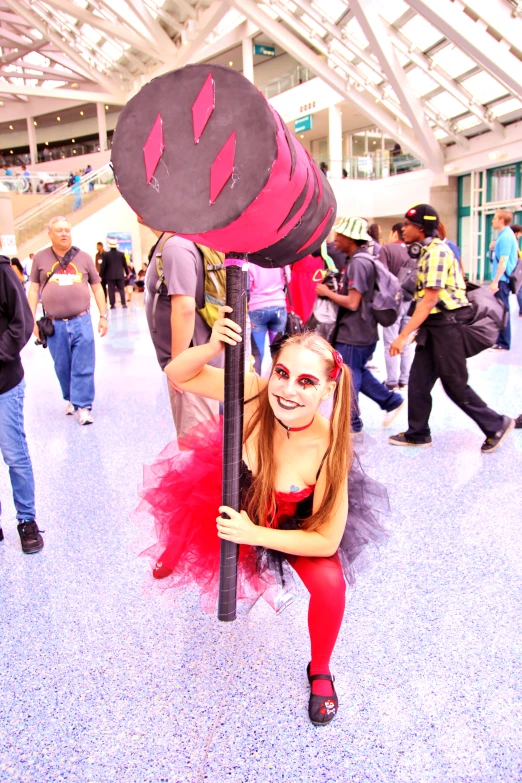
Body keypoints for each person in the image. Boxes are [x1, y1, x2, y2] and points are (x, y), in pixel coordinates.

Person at [140, 312, 387, 726]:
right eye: (282, 374)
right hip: (240, 496)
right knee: (192, 504)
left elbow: (325, 542)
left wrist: (255, 534)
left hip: (291, 526)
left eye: (306, 382)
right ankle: (173, 550)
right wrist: (212, 347)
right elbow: (178, 374)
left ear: (328, 388)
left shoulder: (330, 448)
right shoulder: (254, 391)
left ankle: (321, 669)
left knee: (330, 584)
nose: (287, 391)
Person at [389, 204, 514, 453]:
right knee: (418, 381)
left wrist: (402, 336)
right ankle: (418, 432)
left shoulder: (436, 252)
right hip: (435, 326)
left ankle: (496, 424)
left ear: (421, 228)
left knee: (455, 384)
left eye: (407, 224)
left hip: (448, 326)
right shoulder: (427, 252)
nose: (403, 228)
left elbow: (430, 300)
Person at [315, 217, 404, 434]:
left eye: (339, 236)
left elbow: (353, 302)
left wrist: (327, 293)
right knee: (357, 372)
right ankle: (391, 401)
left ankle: (351, 423)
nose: (335, 240)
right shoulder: (362, 259)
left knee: (348, 376)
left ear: (350, 239)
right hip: (362, 330)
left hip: (355, 331)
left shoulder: (358, 263)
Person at [142, 226, 223, 441]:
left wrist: (179, 367)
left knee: (200, 447)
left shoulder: (177, 245)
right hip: (200, 358)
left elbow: (185, 308)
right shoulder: (183, 240)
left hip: (193, 364)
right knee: (208, 440)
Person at [28, 216, 108, 425]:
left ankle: (83, 406)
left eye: (67, 230)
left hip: (81, 320)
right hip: (54, 324)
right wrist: (31, 321)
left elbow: (97, 286)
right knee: (62, 366)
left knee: (83, 365)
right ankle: (72, 398)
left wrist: (103, 315)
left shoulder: (84, 257)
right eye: (59, 230)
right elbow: (34, 289)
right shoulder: (40, 258)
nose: (64, 233)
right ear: (50, 234)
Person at [0, 244, 43, 554]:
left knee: (14, 454)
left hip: (4, 383)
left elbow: (23, 321)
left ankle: (27, 521)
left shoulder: (2, 270)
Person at [379, 223, 415, 390]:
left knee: (390, 342)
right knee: (405, 341)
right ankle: (405, 379)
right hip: (412, 301)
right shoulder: (414, 250)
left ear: (394, 233)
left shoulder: (387, 250)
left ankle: (392, 381)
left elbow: (382, 276)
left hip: (393, 302)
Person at [247, 262, 288, 374]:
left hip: (257, 309)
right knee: (278, 351)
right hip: (279, 307)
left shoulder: (251, 260)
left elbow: (247, 286)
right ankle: (277, 382)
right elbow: (287, 279)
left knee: (257, 353)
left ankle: (256, 385)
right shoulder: (281, 259)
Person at [489, 210, 518, 350]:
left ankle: (503, 342)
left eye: (494, 218)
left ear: (501, 220)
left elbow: (503, 262)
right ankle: (500, 340)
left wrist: (496, 281)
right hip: (502, 280)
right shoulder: (503, 236)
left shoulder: (506, 237)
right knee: (500, 310)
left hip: (502, 281)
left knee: (502, 310)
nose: (492, 221)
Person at [100, 239, 128, 309]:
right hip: (120, 275)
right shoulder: (121, 254)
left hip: (110, 276)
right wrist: (127, 273)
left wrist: (101, 275)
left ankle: (112, 305)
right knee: (121, 289)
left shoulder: (106, 255)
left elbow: (103, 266)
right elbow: (125, 265)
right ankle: (123, 303)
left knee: (111, 290)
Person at [510, 223, 522, 317]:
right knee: (519, 290)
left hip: (518, 269)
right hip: (517, 271)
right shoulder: (513, 242)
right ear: (516, 233)